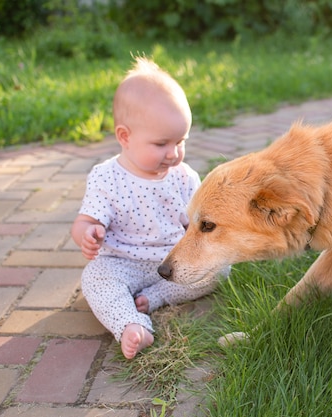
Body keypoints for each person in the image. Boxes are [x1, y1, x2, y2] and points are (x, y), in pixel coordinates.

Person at [71, 57, 227, 359]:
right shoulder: (106, 177)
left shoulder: (184, 177)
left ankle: (154, 298)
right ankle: (130, 324)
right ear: (124, 137)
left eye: (181, 141)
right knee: (94, 278)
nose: (173, 153)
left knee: (220, 270)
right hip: (121, 263)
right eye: (161, 144)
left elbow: (194, 225)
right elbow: (83, 222)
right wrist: (88, 233)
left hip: (172, 262)